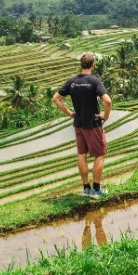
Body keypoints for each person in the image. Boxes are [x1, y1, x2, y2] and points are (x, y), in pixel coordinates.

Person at [52, 53, 112, 198]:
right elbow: (108, 101)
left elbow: (56, 98)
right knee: (100, 154)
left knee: (82, 154)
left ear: (81, 64)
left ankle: (86, 189)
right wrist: (105, 116)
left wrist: (69, 113)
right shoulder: (94, 81)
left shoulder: (72, 81)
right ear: (93, 65)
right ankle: (96, 189)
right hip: (93, 123)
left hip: (78, 123)